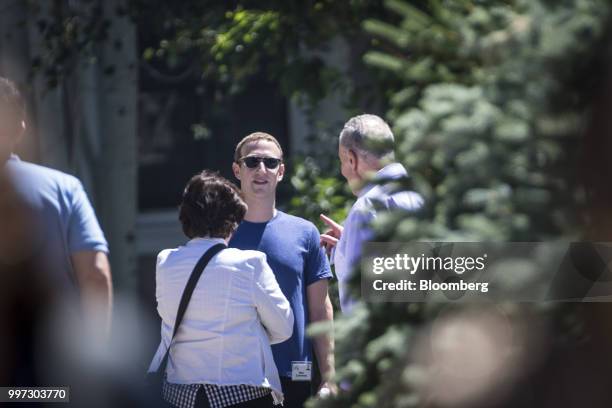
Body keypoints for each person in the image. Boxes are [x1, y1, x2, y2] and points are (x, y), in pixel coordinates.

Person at [149, 171, 294, 408]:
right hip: (242, 393)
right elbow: (284, 327)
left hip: (181, 396)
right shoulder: (250, 263)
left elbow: (168, 317)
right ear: (232, 221)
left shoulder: (165, 261)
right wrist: (248, 331)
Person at [0, 76, 112, 336]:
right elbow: (95, 273)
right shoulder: (64, 188)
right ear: (21, 128)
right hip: (53, 356)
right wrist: (95, 351)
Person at [229, 132, 335, 407]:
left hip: (295, 373)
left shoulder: (305, 233)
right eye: (252, 162)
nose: (261, 170)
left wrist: (329, 377)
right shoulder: (221, 235)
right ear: (237, 170)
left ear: (282, 171)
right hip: (234, 378)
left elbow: (320, 309)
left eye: (270, 162)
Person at [320, 114, 424, 313]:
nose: (342, 171)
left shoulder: (366, 208)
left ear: (352, 159)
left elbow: (359, 303)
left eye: (342, 161)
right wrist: (347, 242)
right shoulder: (422, 193)